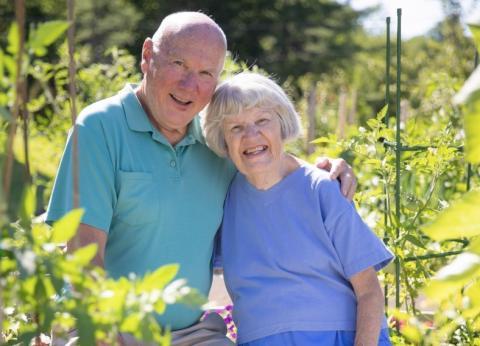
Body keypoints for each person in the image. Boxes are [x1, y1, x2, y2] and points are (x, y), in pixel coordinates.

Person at [46, 12, 356, 345]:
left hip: (191, 335)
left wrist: (323, 168)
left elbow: (267, 158)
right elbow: (84, 260)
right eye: (179, 64)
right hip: (101, 325)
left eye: (206, 73)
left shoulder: (215, 139)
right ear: (148, 55)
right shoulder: (99, 127)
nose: (189, 85)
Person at [203, 72, 394, 346]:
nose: (251, 135)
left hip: (341, 338)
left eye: (262, 121)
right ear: (222, 139)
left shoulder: (323, 188)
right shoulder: (223, 198)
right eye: (236, 128)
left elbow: (369, 291)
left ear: (281, 124)